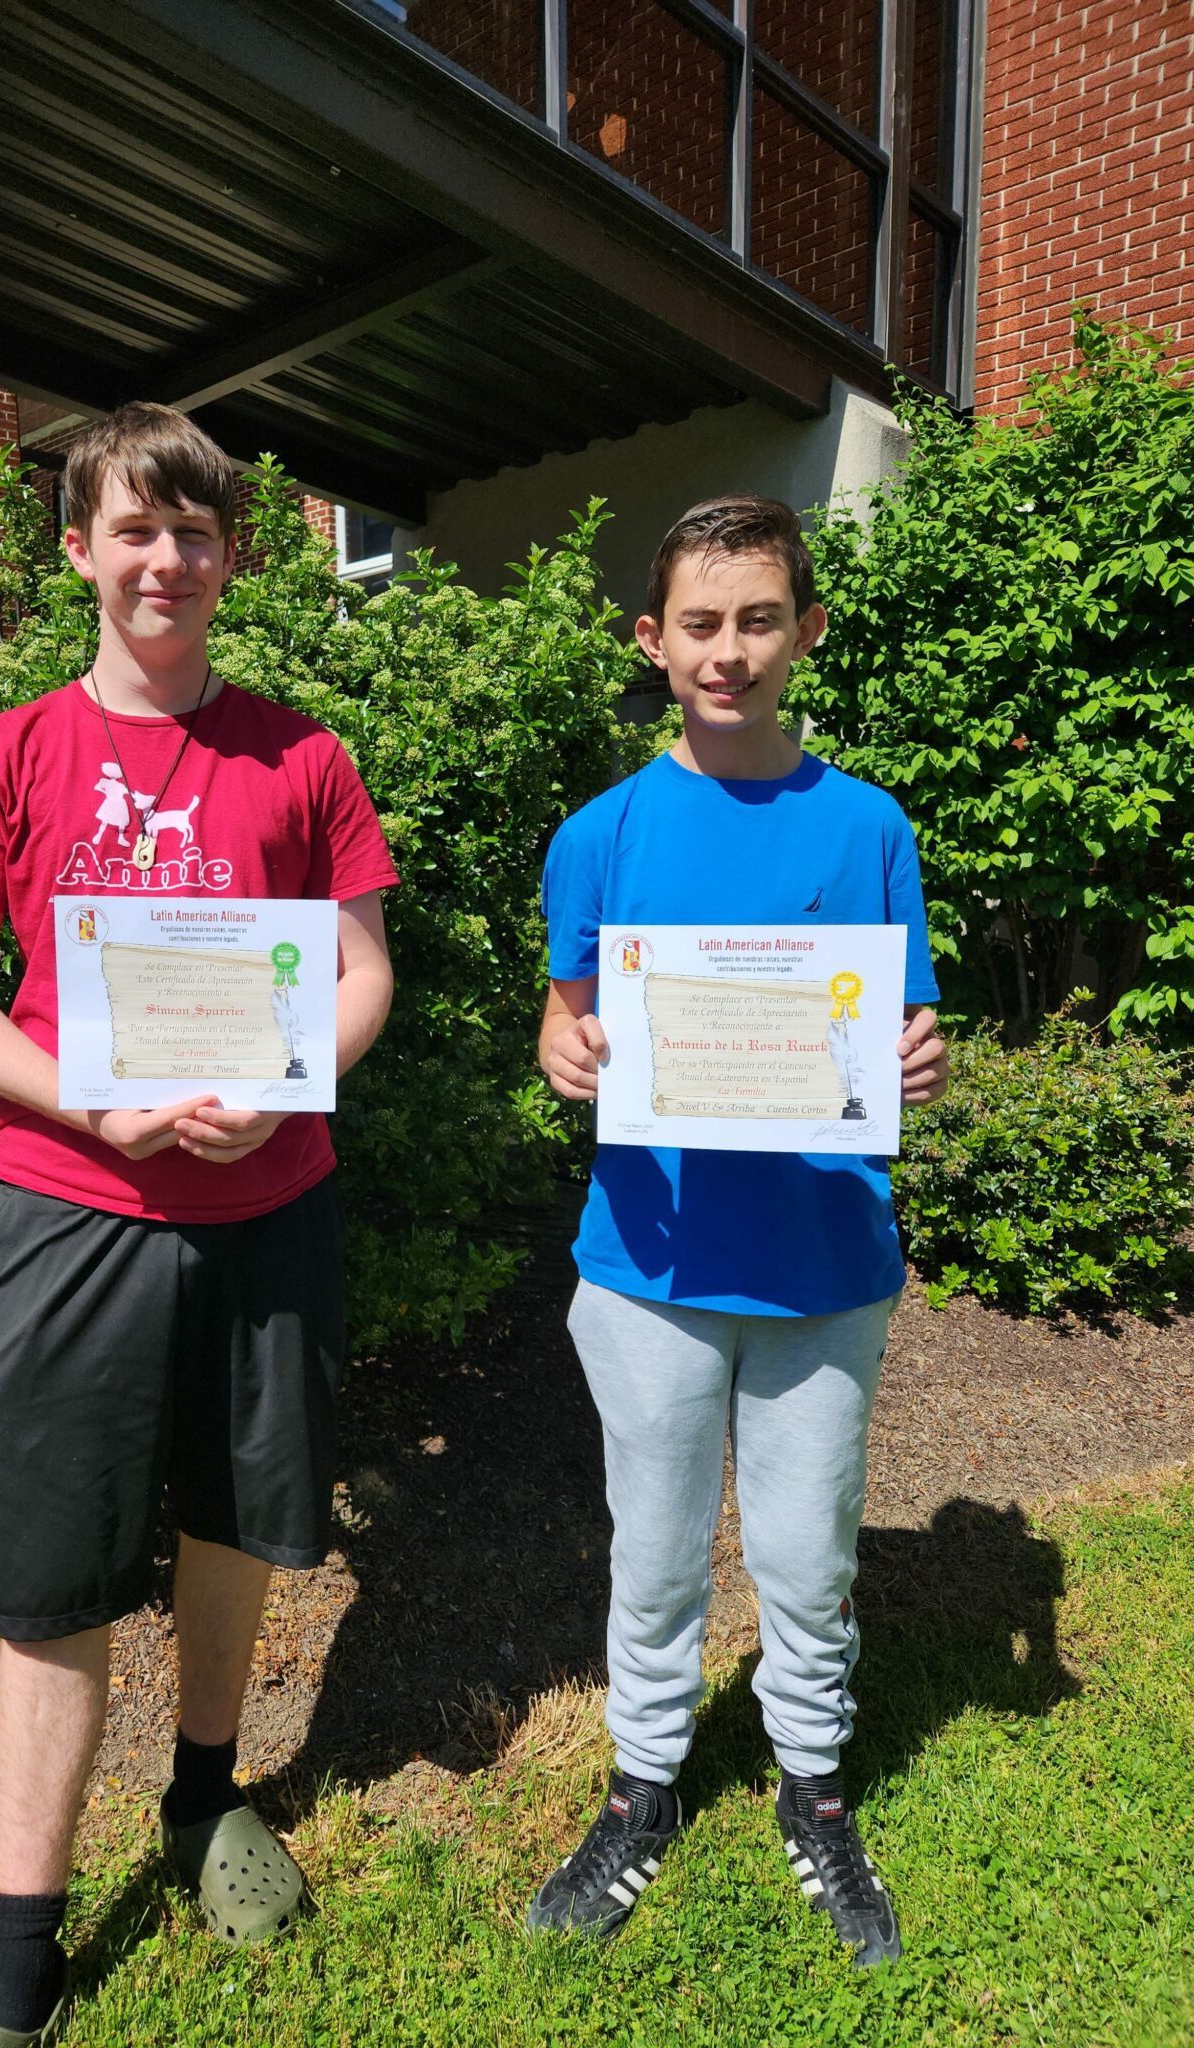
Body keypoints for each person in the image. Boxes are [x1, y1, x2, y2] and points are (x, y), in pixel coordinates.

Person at [0, 403, 397, 2045]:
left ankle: (201, 1798)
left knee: (237, 1520)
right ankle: (20, 1950)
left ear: (233, 555)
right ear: (78, 551)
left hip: (269, 1203)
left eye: (194, 530)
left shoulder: (304, 755)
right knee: (51, 1576)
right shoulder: (8, 754)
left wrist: (288, 1086)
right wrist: (78, 1100)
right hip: (73, 1204)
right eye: (134, 527)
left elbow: (362, 977)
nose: (165, 557)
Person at [529, 496, 949, 1966]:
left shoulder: (868, 824)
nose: (729, 652)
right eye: (699, 625)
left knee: (805, 1551)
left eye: (759, 619)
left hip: (823, 1262)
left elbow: (904, 1023)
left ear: (806, 632)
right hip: (647, 1263)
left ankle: (817, 1793)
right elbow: (567, 1014)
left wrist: (918, 1058)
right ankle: (644, 1783)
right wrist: (562, 1052)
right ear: (653, 644)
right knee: (651, 1554)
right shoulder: (600, 832)